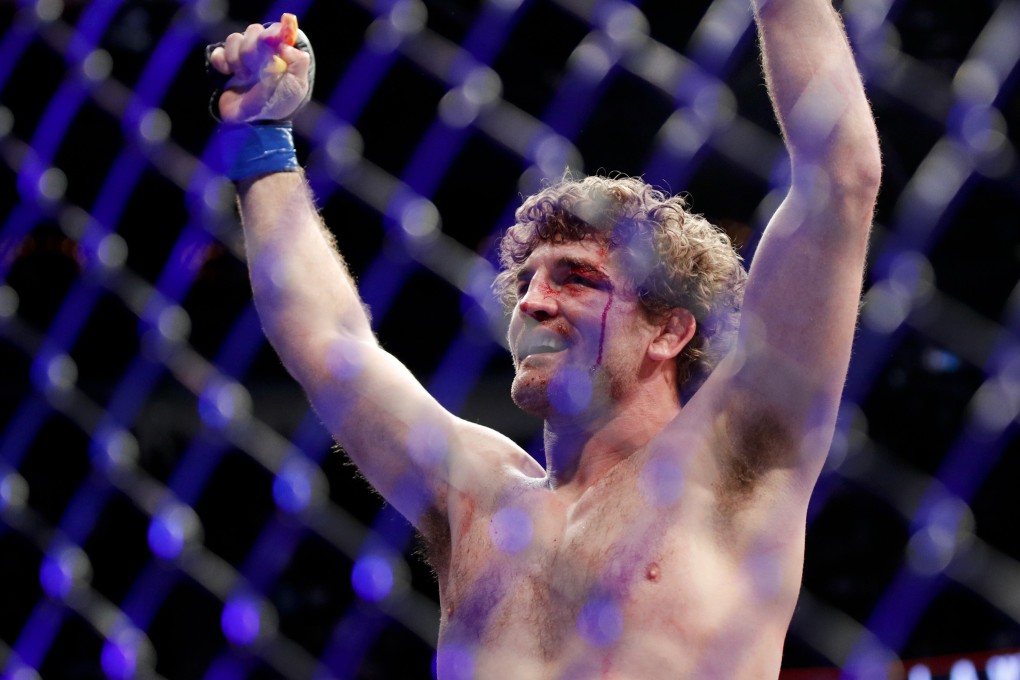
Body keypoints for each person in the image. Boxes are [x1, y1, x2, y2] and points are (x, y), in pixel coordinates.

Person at [207, 0, 881, 676]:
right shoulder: (478, 499)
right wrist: (262, 136)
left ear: (670, 330)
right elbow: (329, 341)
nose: (532, 301)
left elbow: (841, 180)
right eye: (526, 282)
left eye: (577, 279)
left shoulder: (732, 453)